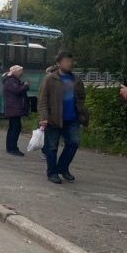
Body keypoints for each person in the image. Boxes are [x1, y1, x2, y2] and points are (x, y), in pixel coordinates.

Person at [38, 51, 89, 184]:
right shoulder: (50, 79)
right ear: (59, 63)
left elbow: (82, 97)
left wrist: (81, 112)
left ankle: (62, 168)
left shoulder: (76, 80)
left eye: (71, 61)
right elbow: (43, 100)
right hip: (54, 119)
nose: (69, 64)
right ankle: (52, 172)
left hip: (72, 119)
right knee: (52, 147)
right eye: (66, 61)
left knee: (73, 143)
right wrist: (44, 117)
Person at [1, 65, 30, 156]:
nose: (22, 73)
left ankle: (10, 147)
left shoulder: (11, 80)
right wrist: (25, 85)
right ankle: (13, 148)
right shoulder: (11, 81)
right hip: (14, 109)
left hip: (13, 108)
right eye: (20, 71)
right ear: (15, 72)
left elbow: (17, 89)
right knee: (15, 128)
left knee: (12, 128)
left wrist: (23, 85)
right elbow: (18, 90)